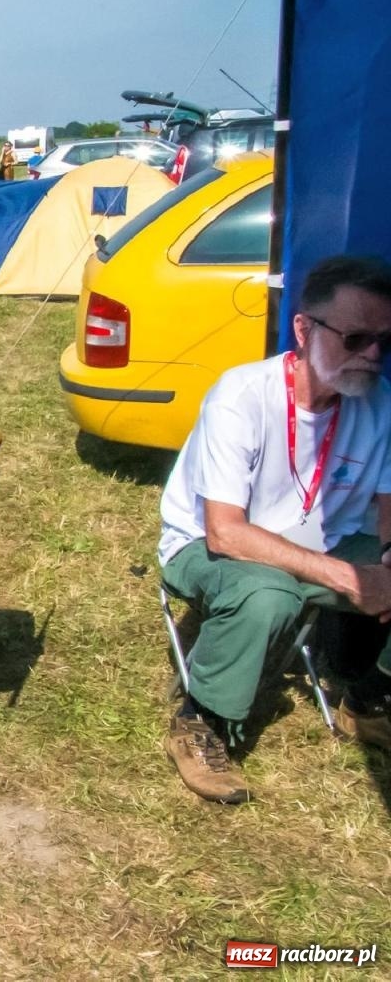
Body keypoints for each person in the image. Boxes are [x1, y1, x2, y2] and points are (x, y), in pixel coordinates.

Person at [159, 254, 391, 805]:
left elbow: (387, 501)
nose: (374, 356)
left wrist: (387, 559)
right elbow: (225, 534)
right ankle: (198, 723)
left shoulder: (379, 404)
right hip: (205, 546)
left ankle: (368, 699)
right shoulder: (242, 396)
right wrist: (351, 577)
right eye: (356, 337)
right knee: (268, 594)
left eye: (385, 340)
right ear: (304, 329)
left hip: (322, 544)